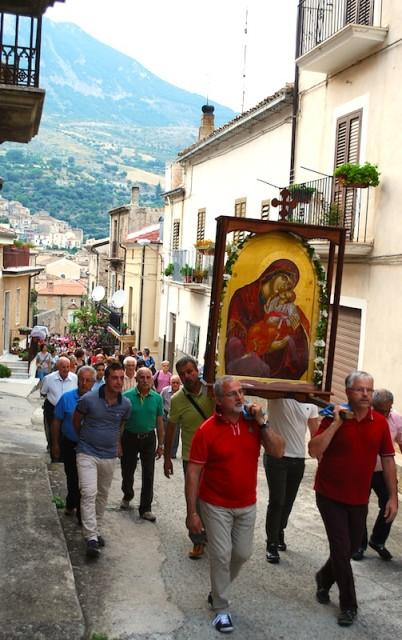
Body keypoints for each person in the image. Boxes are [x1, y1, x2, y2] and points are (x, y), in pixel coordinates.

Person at [185, 376, 284, 634]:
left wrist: (263, 423)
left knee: (242, 553)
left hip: (246, 503)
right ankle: (221, 608)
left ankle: (217, 590)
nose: (239, 398)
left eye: (240, 392)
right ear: (218, 400)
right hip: (215, 503)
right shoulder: (207, 430)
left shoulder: (254, 425)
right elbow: (194, 473)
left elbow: (278, 451)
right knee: (220, 554)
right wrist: (191, 512)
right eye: (232, 394)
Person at [309, 371, 398, 627]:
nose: (365, 395)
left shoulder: (379, 422)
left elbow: (388, 458)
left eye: (369, 390)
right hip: (329, 494)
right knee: (341, 548)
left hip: (359, 497)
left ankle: (324, 579)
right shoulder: (333, 417)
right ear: (348, 392)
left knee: (347, 550)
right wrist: (336, 423)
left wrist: (393, 496)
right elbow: (314, 450)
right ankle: (349, 605)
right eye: (359, 390)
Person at [73, 362, 131, 559]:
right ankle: (90, 537)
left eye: (122, 378)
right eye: (114, 377)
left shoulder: (125, 404)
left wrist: (117, 443)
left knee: (102, 494)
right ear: (105, 378)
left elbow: (121, 424)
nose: (119, 381)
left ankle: (96, 530)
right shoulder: (88, 399)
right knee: (88, 492)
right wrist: (85, 439)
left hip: (109, 455)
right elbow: (76, 420)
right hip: (87, 452)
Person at [164, 355, 215, 558]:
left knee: (215, 498)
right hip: (191, 457)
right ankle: (198, 540)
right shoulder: (177, 400)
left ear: (197, 371)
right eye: (183, 373)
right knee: (194, 498)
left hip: (216, 456)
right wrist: (167, 457)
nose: (187, 376)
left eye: (190, 371)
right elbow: (171, 429)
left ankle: (214, 534)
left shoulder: (212, 393)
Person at [225, 259, 309, 380]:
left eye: (290, 285)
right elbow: (235, 336)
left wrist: (288, 339)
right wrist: (264, 347)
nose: (286, 285)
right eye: (285, 278)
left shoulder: (286, 306)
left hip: (275, 359)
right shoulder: (244, 295)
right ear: (272, 274)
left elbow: (299, 345)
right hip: (250, 358)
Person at [264, 399, 320, 563]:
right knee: (277, 501)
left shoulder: (311, 402)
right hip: (276, 456)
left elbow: (315, 432)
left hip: (298, 459)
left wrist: (320, 457)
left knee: (288, 501)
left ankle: (279, 530)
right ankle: (272, 543)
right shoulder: (279, 396)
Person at [352, 388, 402, 561]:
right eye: (380, 410)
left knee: (391, 505)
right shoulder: (361, 416)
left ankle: (378, 540)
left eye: (387, 410)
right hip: (361, 470)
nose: (384, 413)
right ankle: (359, 544)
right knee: (359, 508)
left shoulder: (396, 419)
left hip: (384, 472)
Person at [51, 366, 96, 524]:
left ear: (93, 382)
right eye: (81, 379)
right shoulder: (66, 398)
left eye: (88, 380)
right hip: (69, 444)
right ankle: (72, 503)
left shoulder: (98, 401)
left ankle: (79, 513)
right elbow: (56, 421)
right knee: (72, 478)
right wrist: (55, 444)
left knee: (85, 482)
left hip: (89, 446)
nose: (84, 383)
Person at [120, 367, 164, 521]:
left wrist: (161, 445)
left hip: (148, 438)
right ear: (136, 379)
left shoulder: (157, 398)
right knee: (127, 469)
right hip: (129, 437)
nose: (145, 380)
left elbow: (159, 422)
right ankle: (127, 494)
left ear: (152, 379)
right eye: (142, 377)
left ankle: (145, 508)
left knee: (148, 473)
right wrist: (118, 443)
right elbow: (122, 422)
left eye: (148, 377)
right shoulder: (126, 397)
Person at [41, 356, 78, 458]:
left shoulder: (75, 378)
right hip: (52, 408)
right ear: (58, 367)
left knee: (65, 431)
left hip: (68, 410)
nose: (66, 370)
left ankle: (64, 454)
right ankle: (54, 453)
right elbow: (43, 392)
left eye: (68, 367)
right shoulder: (49, 379)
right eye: (63, 367)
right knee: (53, 432)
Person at [160, 374, 181, 458]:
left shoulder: (183, 391)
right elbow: (160, 403)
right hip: (166, 414)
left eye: (177, 383)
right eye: (173, 382)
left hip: (177, 416)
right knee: (165, 433)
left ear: (180, 383)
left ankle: (173, 453)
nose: (175, 384)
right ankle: (165, 450)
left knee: (175, 435)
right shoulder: (165, 390)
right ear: (170, 383)